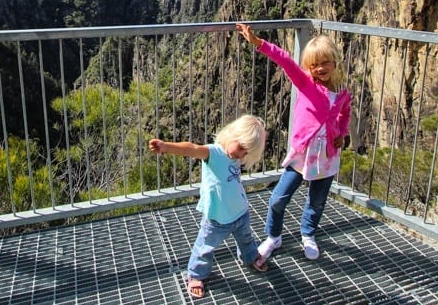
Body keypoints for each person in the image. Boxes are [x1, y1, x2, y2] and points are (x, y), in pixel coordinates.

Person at [236, 23, 352, 262]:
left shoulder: (342, 92)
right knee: (278, 198)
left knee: (317, 201)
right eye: (314, 64)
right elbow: (286, 60)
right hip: (302, 154)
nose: (319, 68)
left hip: (327, 156)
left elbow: (345, 112)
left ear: (334, 62)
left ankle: (308, 234)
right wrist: (259, 43)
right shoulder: (306, 83)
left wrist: (342, 131)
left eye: (325, 62)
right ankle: (273, 236)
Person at [148, 114, 269, 299]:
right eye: (242, 147)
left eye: (246, 152)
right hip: (217, 217)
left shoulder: (235, 156)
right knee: (205, 246)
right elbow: (192, 148)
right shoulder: (214, 153)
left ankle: (250, 256)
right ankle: (196, 275)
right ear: (234, 135)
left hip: (240, 212)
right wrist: (166, 146)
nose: (241, 154)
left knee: (246, 239)